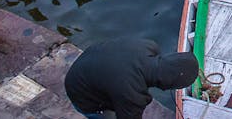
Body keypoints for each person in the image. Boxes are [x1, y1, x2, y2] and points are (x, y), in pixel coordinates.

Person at [64, 38, 199, 119]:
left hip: (83, 65)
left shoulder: (148, 45)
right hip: (80, 93)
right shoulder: (131, 94)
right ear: (167, 85)